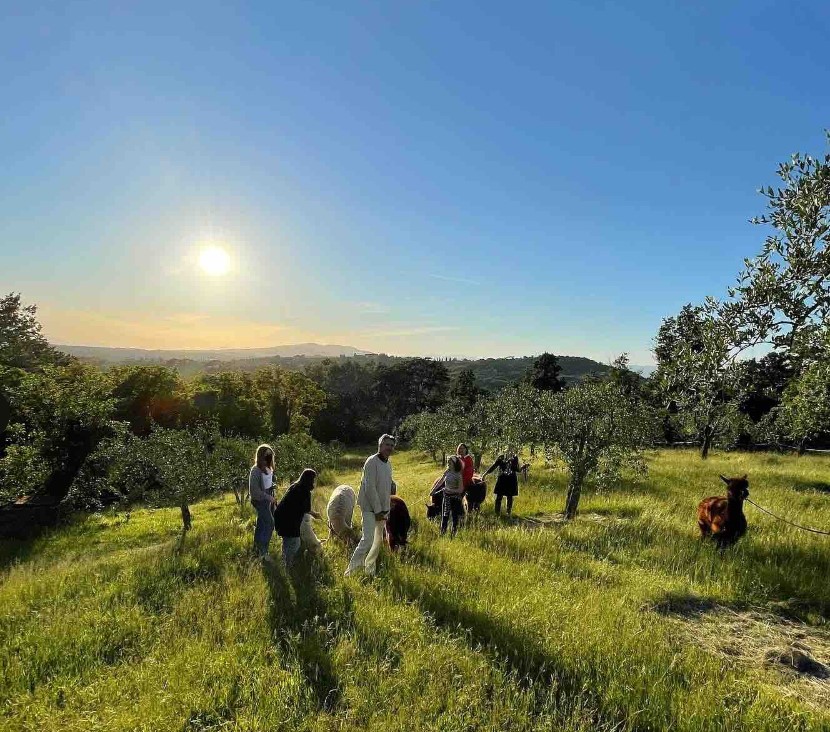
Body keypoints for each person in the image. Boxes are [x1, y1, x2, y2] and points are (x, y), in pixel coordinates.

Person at [345, 434, 397, 577]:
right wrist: (378, 510)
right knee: (367, 540)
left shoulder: (388, 463)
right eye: (387, 444)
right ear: (380, 445)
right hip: (369, 507)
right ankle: (350, 572)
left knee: (377, 541)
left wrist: (387, 506)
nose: (389, 448)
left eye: (392, 445)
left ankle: (370, 570)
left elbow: (387, 485)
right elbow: (370, 488)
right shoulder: (371, 462)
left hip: (383, 509)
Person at [274, 468, 319, 567]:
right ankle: (288, 565)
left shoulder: (294, 486)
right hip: (290, 520)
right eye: (313, 479)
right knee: (295, 543)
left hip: (280, 517)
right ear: (310, 480)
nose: (314, 482)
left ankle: (284, 562)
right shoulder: (305, 491)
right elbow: (306, 509)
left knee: (286, 541)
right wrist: (315, 514)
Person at [249, 444, 276, 559]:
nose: (269, 458)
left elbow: (268, 483)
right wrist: (268, 497)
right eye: (266, 456)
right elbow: (254, 491)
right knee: (270, 524)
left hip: (267, 499)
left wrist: (273, 487)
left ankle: (256, 549)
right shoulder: (255, 470)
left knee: (261, 524)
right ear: (260, 456)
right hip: (260, 501)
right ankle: (263, 552)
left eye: (270, 456)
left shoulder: (268, 467)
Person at [440, 455, 465, 537]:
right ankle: (442, 534)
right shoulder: (447, 472)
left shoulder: (458, 475)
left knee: (455, 517)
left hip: (455, 499)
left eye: (450, 462)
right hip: (446, 497)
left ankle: (453, 535)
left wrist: (450, 490)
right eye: (448, 462)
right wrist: (433, 490)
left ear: (454, 463)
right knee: (444, 516)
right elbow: (441, 481)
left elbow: (460, 490)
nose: (448, 464)